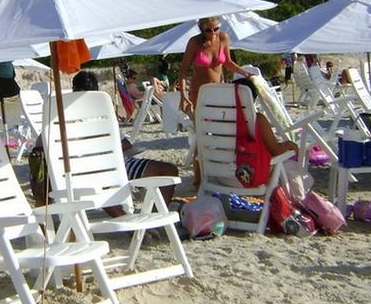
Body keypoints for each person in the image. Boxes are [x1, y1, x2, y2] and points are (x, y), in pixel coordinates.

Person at [71, 70, 178, 212]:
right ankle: (131, 226)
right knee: (103, 187)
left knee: (169, 171)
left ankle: (153, 217)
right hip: (95, 169)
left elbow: (126, 143)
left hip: (119, 163)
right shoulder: (71, 117)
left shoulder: (101, 115)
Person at [177, 17, 248, 114]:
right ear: (201, 29)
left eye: (216, 29)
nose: (213, 33)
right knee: (202, 125)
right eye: (208, 30)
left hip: (219, 90)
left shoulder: (223, 38)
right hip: (199, 92)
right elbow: (183, 71)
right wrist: (183, 95)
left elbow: (228, 62)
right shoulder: (195, 43)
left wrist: (245, 73)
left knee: (220, 123)